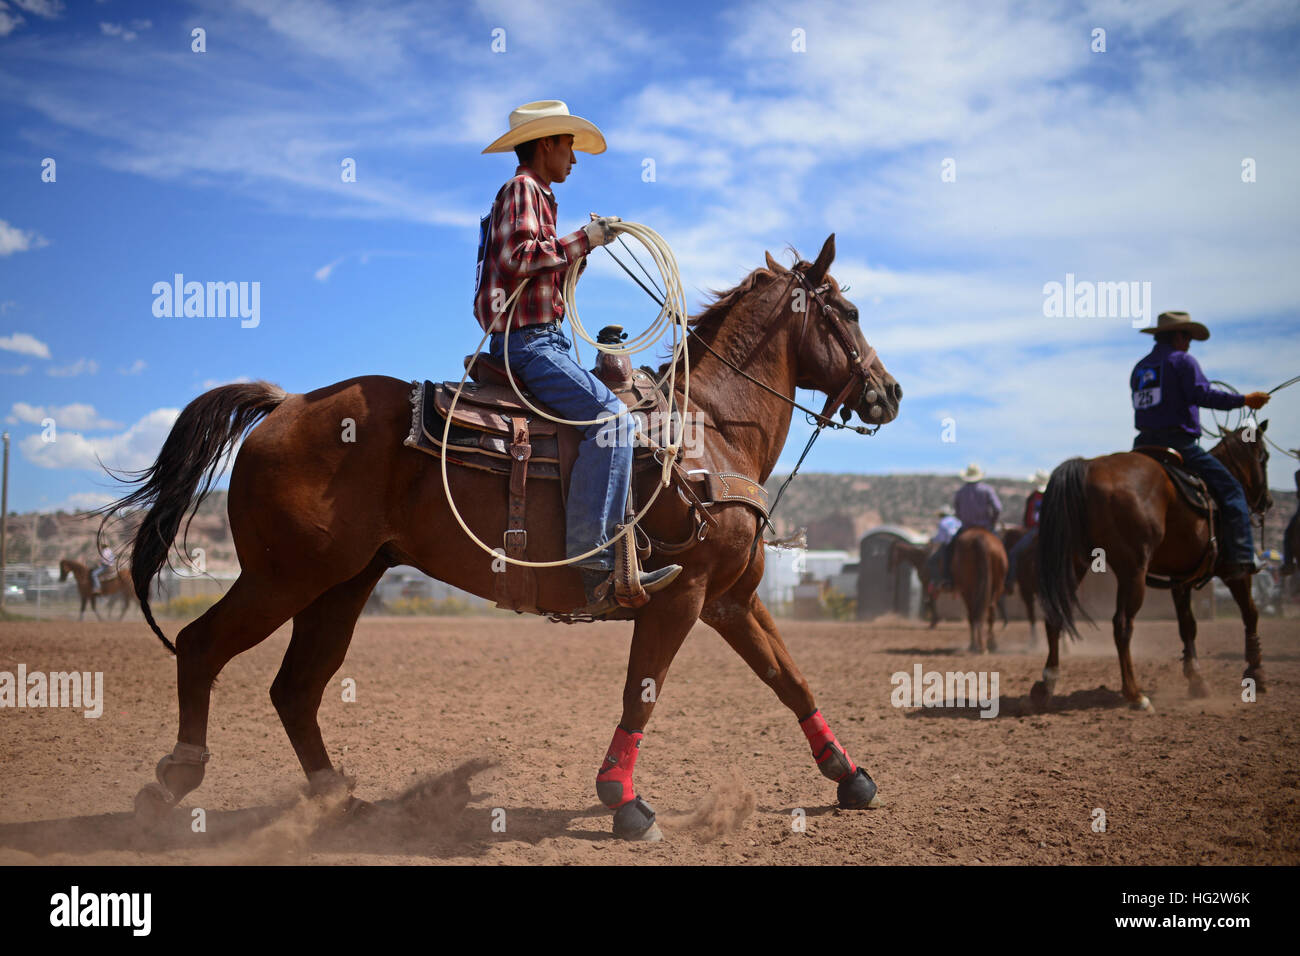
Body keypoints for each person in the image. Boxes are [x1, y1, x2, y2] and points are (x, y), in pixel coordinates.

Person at [476, 100, 681, 613]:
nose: (575, 157)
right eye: (568, 145)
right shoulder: (522, 189)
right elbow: (515, 258)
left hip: (543, 339)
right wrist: (583, 238)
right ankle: (595, 560)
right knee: (612, 418)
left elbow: (536, 267)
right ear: (546, 144)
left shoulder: (540, 198)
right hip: (529, 343)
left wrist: (581, 249)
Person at [1130, 311, 1270, 577]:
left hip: (1142, 446)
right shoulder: (1182, 361)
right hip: (1178, 444)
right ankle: (1243, 556)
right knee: (1232, 490)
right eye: (1188, 337)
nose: (1190, 343)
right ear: (1179, 336)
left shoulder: (1141, 367)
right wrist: (1244, 400)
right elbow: (1202, 395)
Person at [940, 463, 1001, 587]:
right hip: (986, 528)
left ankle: (948, 579)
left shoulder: (960, 492)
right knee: (1001, 548)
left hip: (966, 529)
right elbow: (998, 508)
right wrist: (992, 522)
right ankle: (1006, 578)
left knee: (948, 549)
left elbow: (957, 513)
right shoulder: (987, 490)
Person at [1005, 469, 1047, 589]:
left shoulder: (1033, 496)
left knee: (1013, 553)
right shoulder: (1052, 496)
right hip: (1049, 532)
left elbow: (1028, 516)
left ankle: (1010, 579)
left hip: (1034, 531)